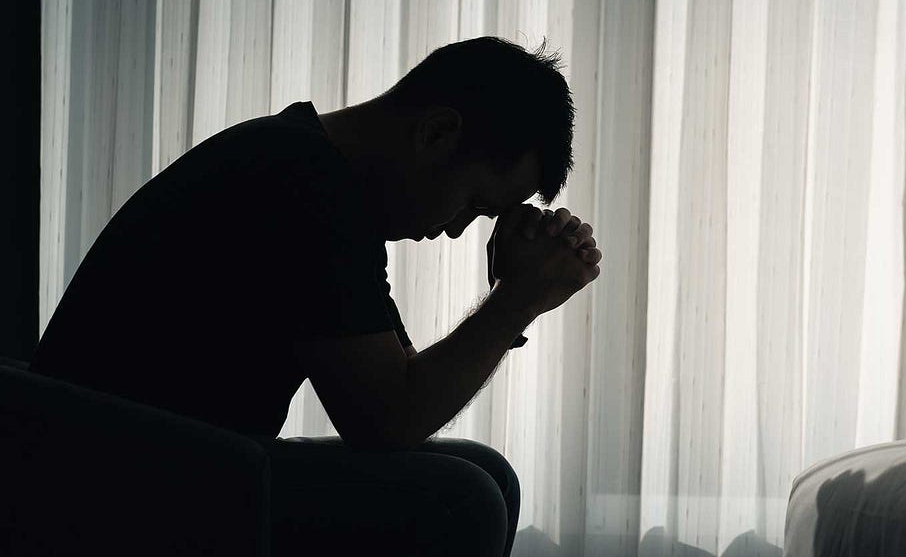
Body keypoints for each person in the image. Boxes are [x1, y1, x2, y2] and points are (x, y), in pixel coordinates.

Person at [30, 36, 601, 556]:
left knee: (487, 475)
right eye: (474, 203)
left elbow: (402, 386)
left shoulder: (316, 173)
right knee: (464, 498)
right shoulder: (302, 186)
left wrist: (512, 294)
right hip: (117, 478)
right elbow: (389, 420)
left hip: (173, 456)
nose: (456, 230)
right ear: (436, 134)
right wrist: (515, 301)